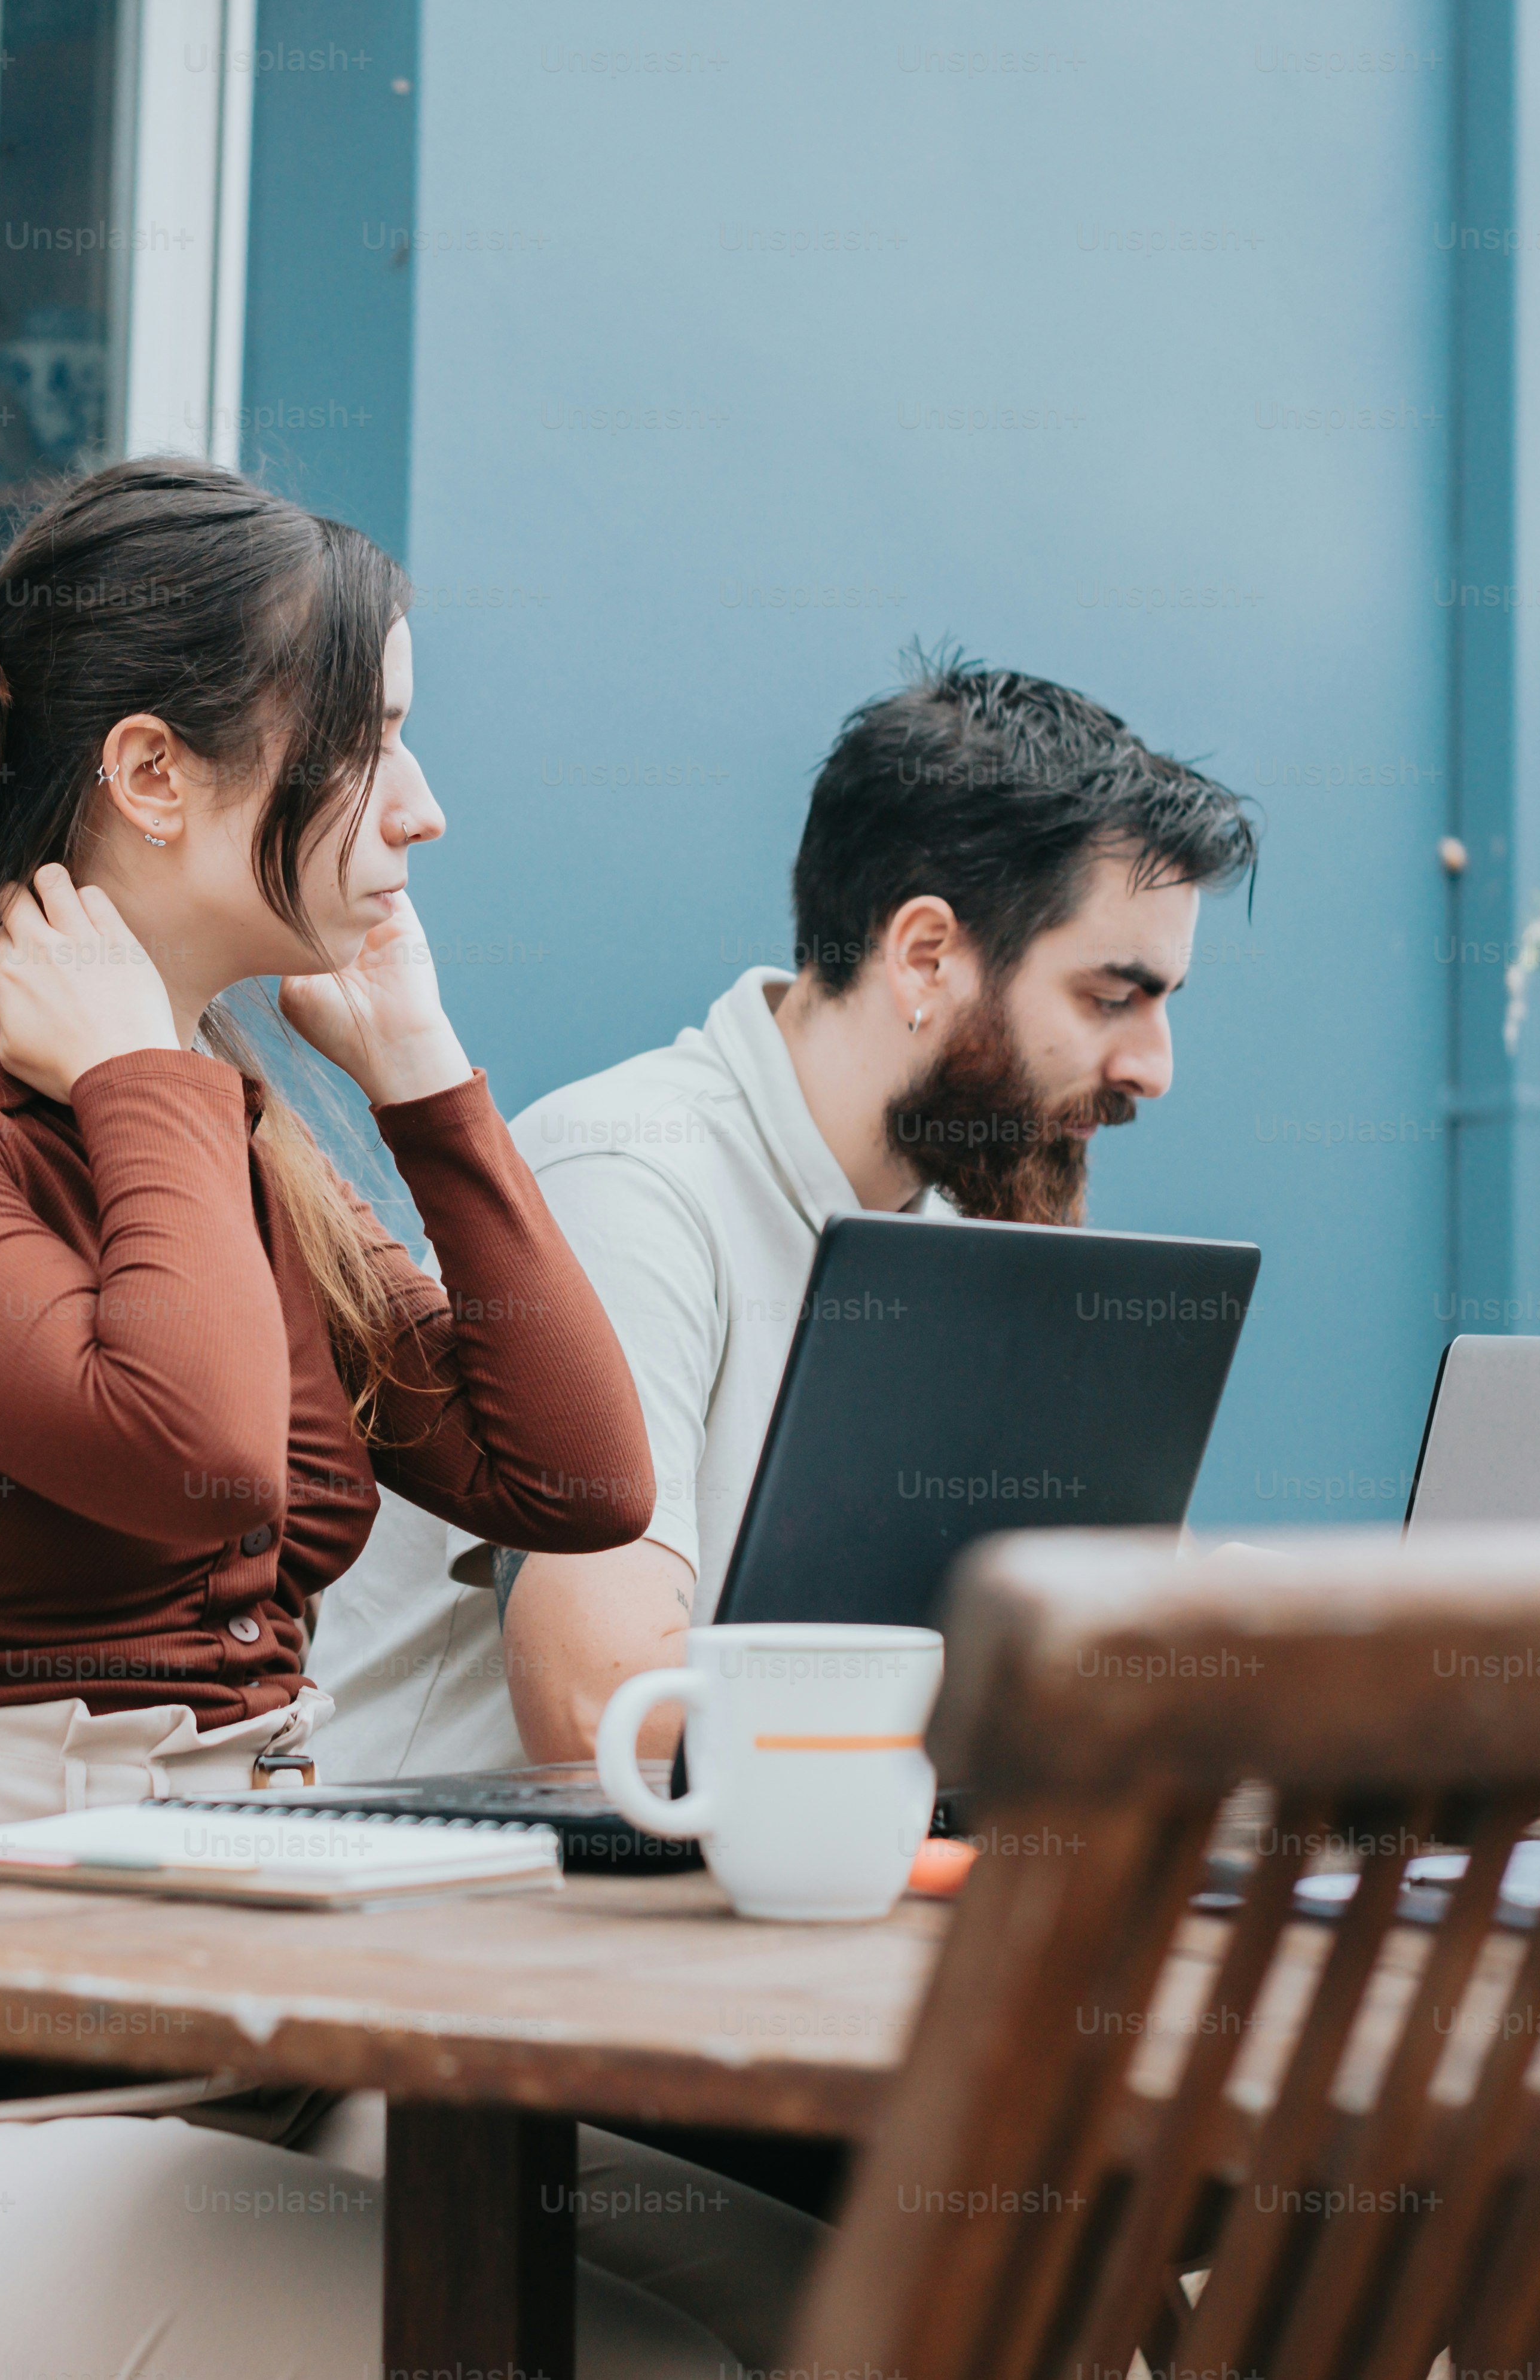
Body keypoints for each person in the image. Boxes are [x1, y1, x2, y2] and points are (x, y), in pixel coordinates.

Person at [0, 457, 820, 2380]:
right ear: (151, 775)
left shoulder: (228, 1134)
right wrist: (142, 1067)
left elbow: (576, 1479)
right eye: (370, 746)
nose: (425, 810)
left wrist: (427, 1080)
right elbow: (188, 1456)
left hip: (249, 2033)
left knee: (860, 2311)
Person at [311, 655, 1257, 1781]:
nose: (1152, 1069)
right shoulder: (628, 1175)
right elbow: (601, 1705)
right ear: (925, 955)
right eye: (1111, 998)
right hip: (469, 1916)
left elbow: (1138, 1617)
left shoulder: (961, 1229)